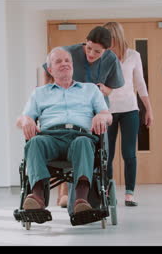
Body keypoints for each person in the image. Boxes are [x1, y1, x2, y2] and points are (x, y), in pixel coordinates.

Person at [17, 47, 113, 217]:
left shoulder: (90, 89)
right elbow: (22, 119)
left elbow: (108, 116)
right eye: (58, 61)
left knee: (83, 142)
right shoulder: (39, 93)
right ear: (50, 69)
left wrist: (101, 116)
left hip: (80, 136)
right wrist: (27, 120)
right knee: (34, 142)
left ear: (72, 66)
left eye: (67, 61)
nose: (64, 64)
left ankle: (81, 200)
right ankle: (37, 197)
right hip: (50, 138)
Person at [42, 26, 125, 208]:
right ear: (85, 42)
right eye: (89, 48)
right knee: (64, 139)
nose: (92, 54)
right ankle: (64, 193)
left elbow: (113, 87)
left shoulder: (110, 60)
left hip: (95, 110)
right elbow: (48, 72)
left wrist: (105, 90)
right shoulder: (69, 53)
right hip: (69, 108)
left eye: (97, 51)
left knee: (97, 150)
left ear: (106, 51)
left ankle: (89, 194)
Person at [102, 22, 154, 207]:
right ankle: (107, 193)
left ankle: (130, 193)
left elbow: (140, 84)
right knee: (106, 155)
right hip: (107, 111)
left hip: (130, 110)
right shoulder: (103, 56)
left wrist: (148, 108)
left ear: (116, 36)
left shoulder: (133, 55)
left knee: (129, 153)